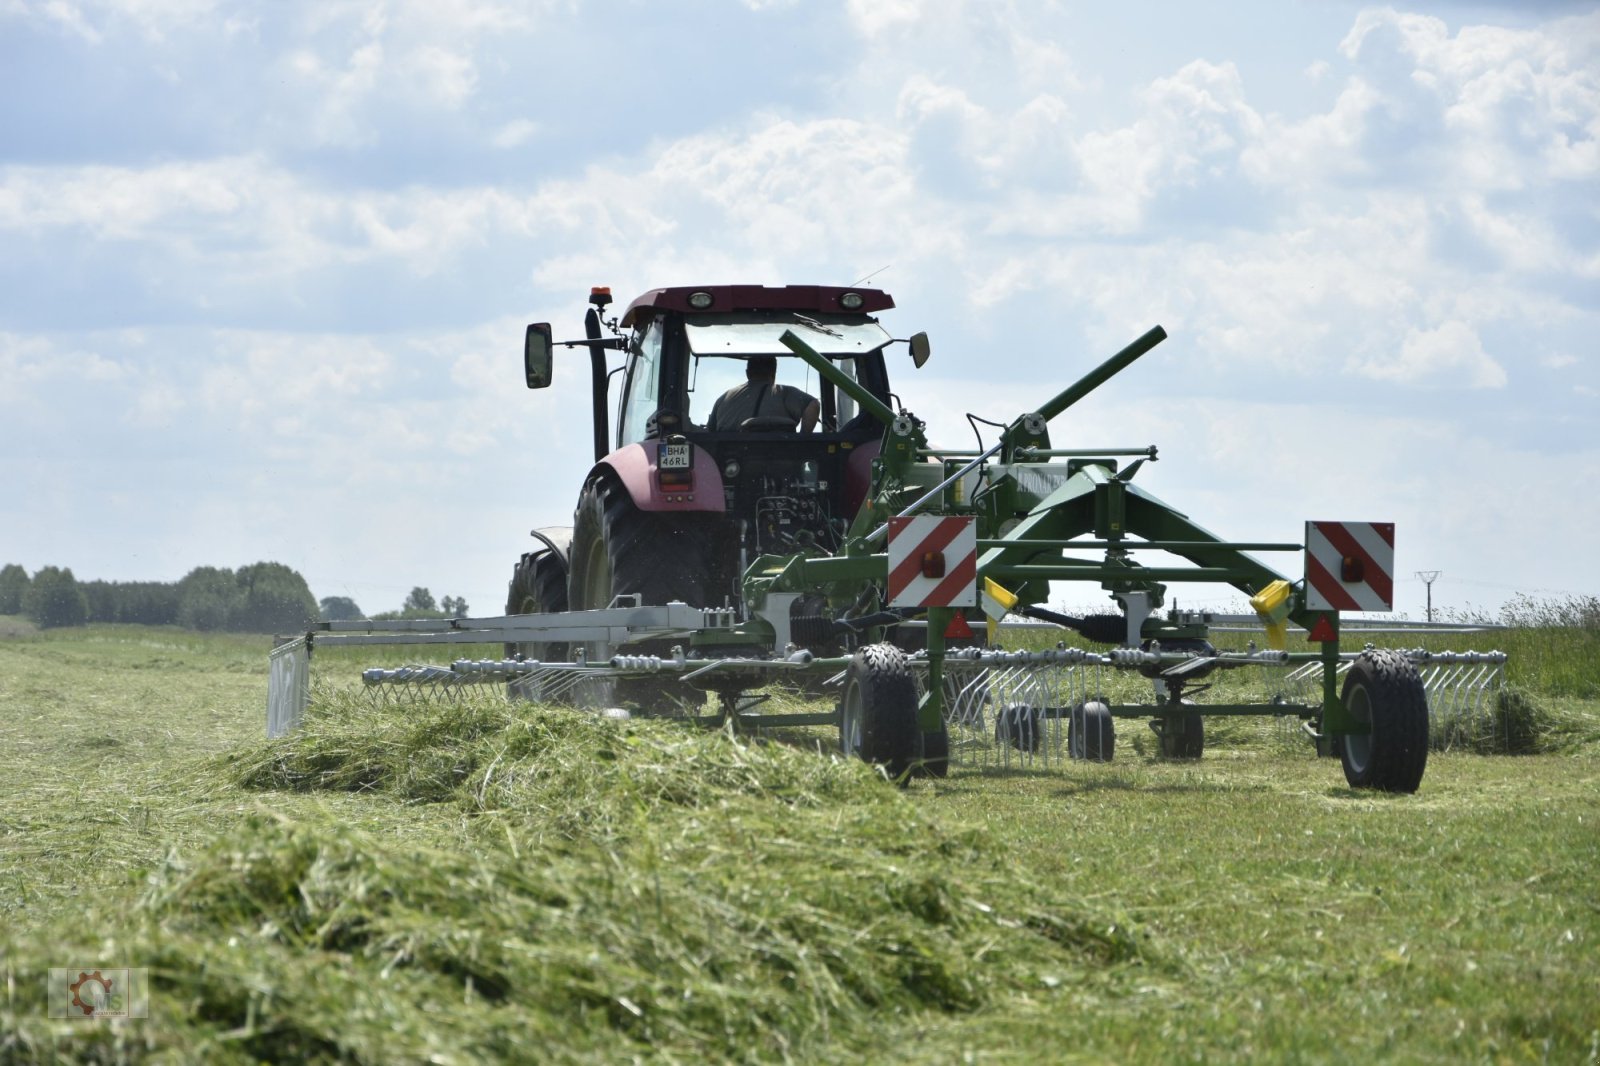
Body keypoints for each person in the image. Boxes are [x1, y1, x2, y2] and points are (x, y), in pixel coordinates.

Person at [708, 355, 820, 433]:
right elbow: (813, 404)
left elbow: (711, 432)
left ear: (747, 373)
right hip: (780, 457)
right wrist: (803, 438)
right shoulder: (783, 392)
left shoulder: (724, 398)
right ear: (773, 373)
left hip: (731, 460)